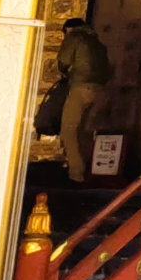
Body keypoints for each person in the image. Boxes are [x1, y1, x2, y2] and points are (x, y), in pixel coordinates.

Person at [57, 17, 111, 183]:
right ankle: (88, 169)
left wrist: (65, 72)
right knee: (86, 132)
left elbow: (63, 61)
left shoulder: (74, 37)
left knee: (68, 130)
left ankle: (76, 172)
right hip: (100, 90)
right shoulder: (99, 43)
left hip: (81, 88)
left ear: (69, 29)